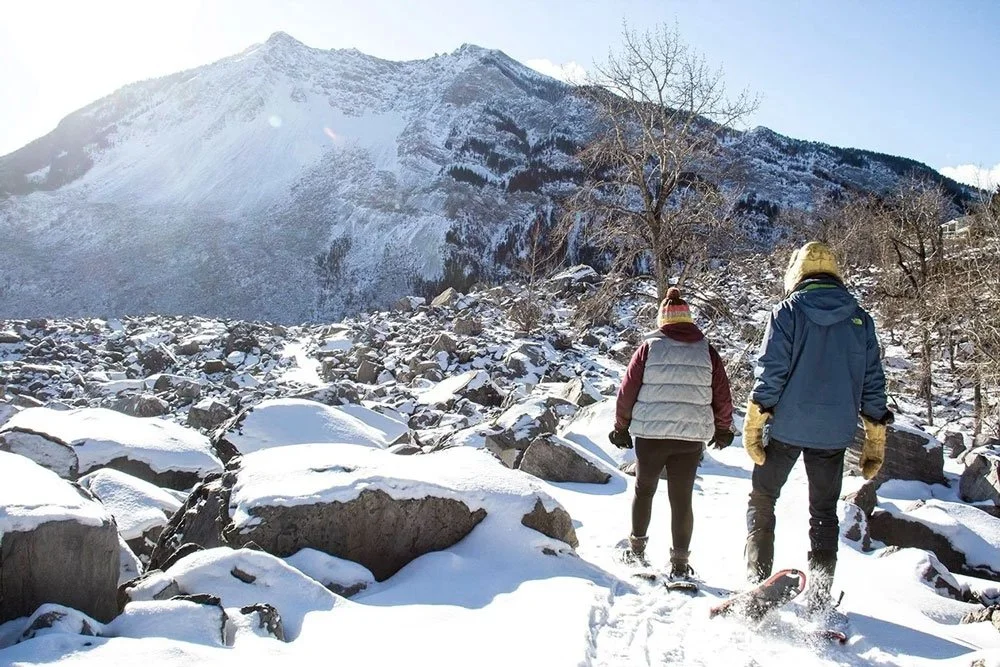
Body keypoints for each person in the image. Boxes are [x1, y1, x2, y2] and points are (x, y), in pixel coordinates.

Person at [742, 241, 891, 612]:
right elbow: (874, 380)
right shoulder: (860, 318)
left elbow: (772, 371)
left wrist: (755, 419)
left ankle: (756, 580)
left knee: (763, 498)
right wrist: (875, 435)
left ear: (798, 273)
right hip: (834, 433)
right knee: (823, 512)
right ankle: (821, 595)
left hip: (788, 427)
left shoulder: (787, 312)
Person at [610, 287, 734, 579]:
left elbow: (627, 390)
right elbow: (722, 392)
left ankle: (637, 550)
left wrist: (621, 427)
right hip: (689, 438)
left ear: (662, 320)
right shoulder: (707, 350)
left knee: (644, 490)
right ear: (688, 320)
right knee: (682, 499)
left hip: (650, 437)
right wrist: (723, 427)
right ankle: (680, 562)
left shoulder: (649, 348)